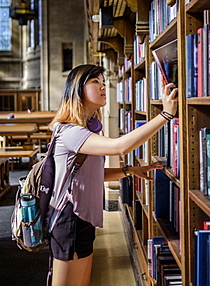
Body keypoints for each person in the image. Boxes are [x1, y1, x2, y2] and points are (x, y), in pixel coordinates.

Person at [48, 64, 178, 286]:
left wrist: (128, 171)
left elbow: (89, 176)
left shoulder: (87, 131)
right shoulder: (70, 132)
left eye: (104, 82)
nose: (103, 87)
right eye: (95, 82)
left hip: (82, 216)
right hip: (68, 217)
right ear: (77, 89)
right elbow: (120, 147)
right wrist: (165, 115)